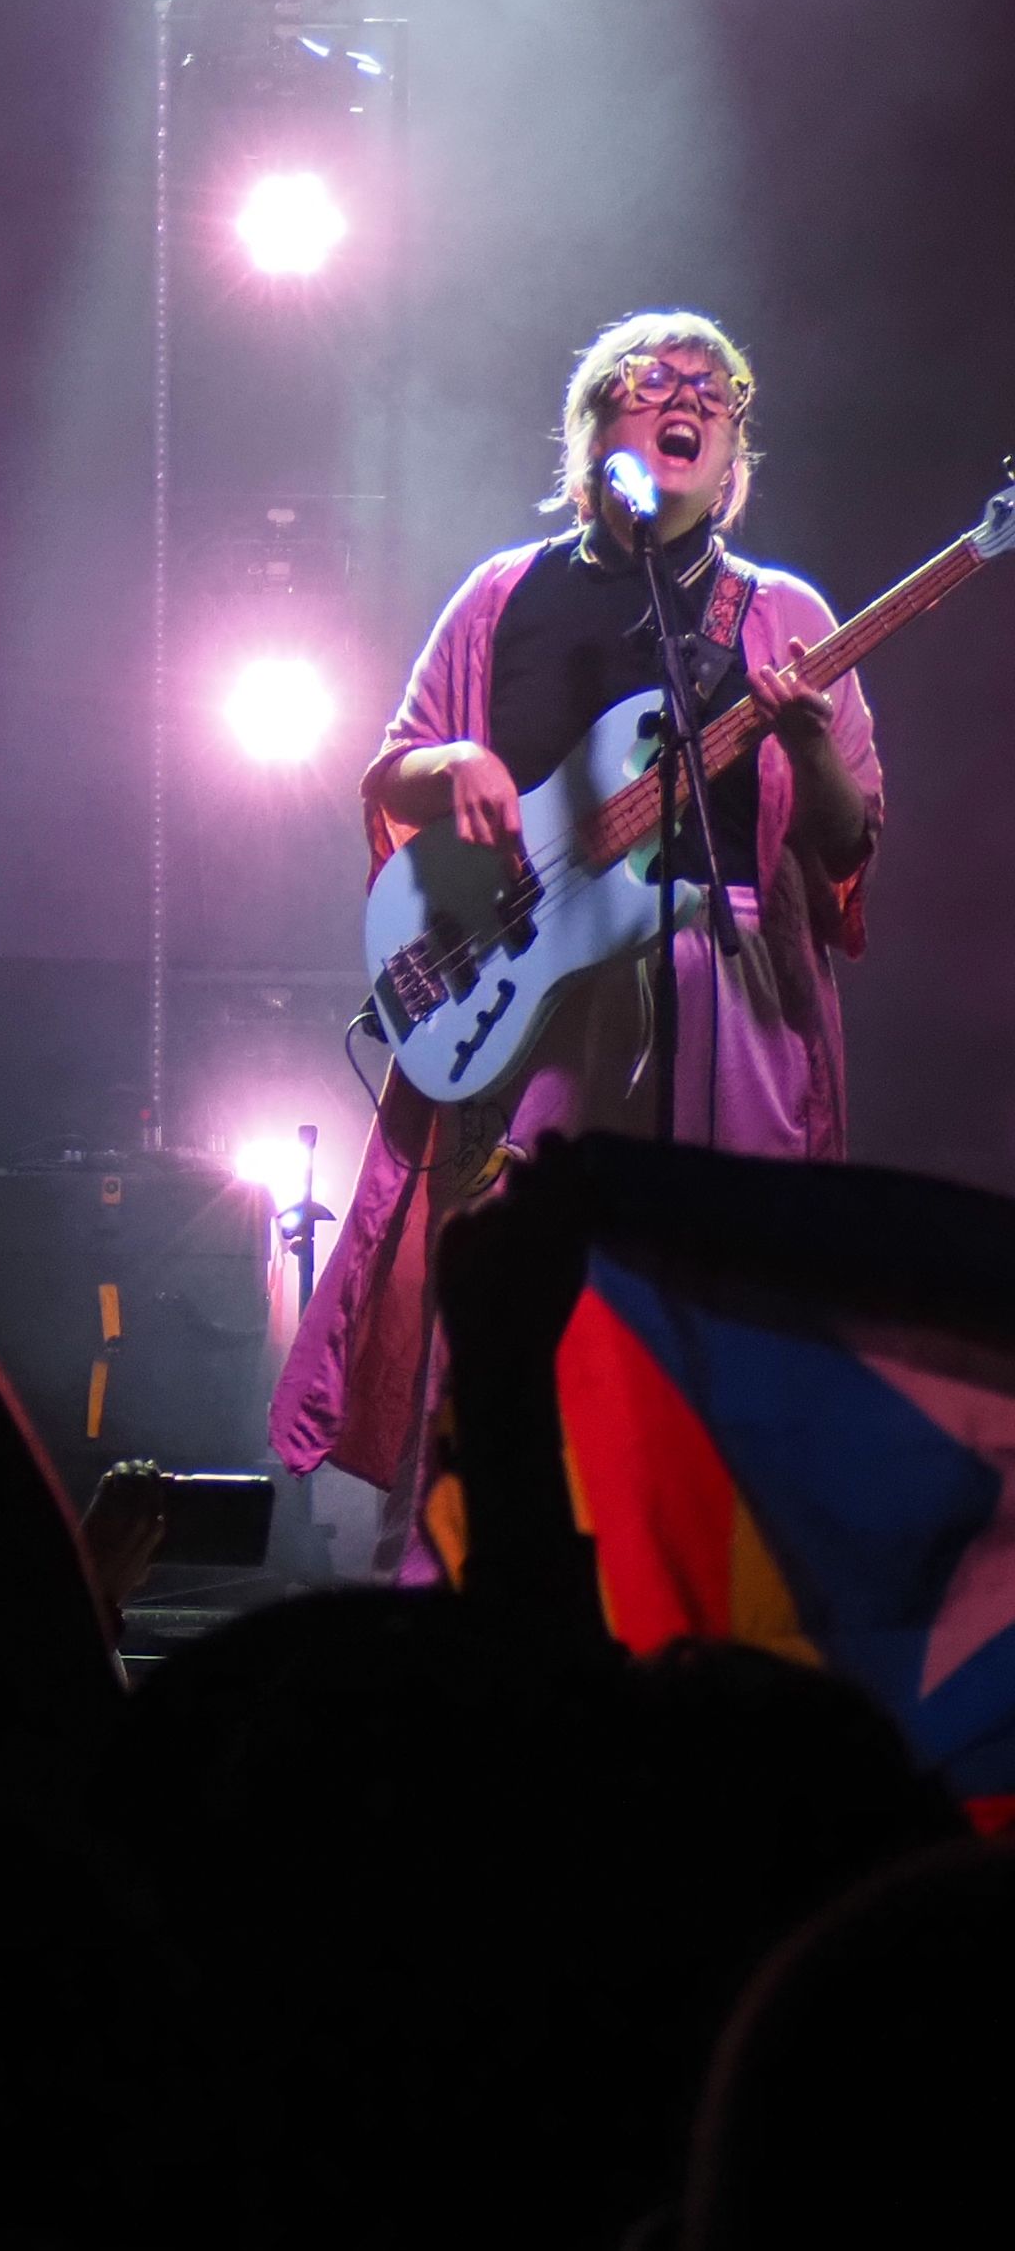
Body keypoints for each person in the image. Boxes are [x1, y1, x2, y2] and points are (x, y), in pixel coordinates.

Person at [274, 309, 879, 1561]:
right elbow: (390, 770)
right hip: (536, 1009)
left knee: (724, 1314)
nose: (688, 399)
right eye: (650, 384)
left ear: (732, 456)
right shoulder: (505, 595)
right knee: (523, 1325)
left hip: (735, 1005)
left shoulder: (780, 612)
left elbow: (847, 842)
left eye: (715, 395)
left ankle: (706, 1608)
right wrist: (454, 765)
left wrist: (809, 738)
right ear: (594, 427)